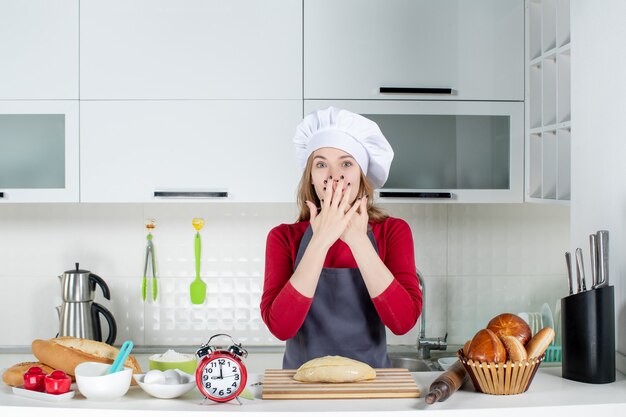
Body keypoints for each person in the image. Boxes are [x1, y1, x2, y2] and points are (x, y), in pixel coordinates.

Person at [260, 107, 423, 369]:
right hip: (301, 387)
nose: (334, 176)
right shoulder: (283, 237)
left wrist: (358, 241)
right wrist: (320, 241)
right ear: (310, 178)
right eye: (321, 164)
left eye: (346, 163)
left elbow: (402, 323)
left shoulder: (393, 232)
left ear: (362, 176)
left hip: (371, 386)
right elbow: (281, 327)